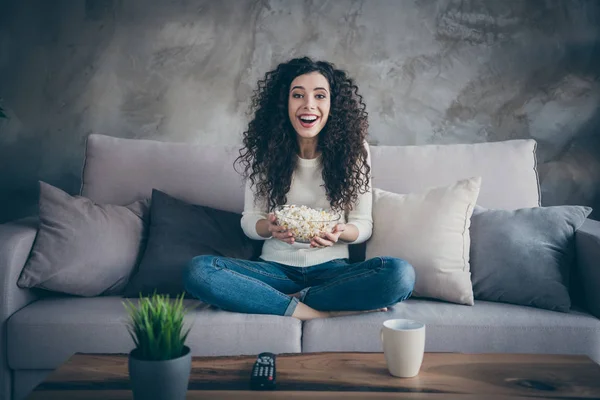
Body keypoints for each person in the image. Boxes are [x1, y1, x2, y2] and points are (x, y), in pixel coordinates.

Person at [184, 57, 415, 321]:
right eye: (298, 95)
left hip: (333, 272)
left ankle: (280, 302)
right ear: (284, 103)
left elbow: (363, 225)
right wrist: (269, 228)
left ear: (333, 104)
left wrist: (340, 233)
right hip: (274, 272)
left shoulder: (354, 150)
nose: (309, 105)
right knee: (199, 271)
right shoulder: (265, 151)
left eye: (320, 96)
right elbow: (250, 220)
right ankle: (317, 313)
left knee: (400, 274)